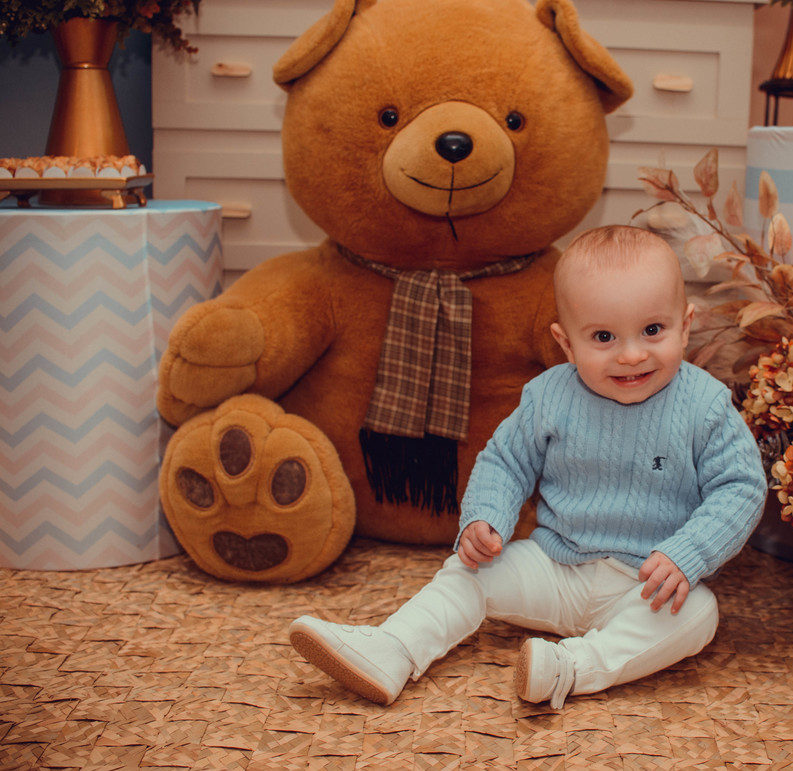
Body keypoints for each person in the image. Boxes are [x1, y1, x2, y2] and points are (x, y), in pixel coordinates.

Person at [288, 225, 766, 708]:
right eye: (603, 336)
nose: (631, 354)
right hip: (555, 566)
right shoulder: (549, 395)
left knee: (698, 614)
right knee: (468, 572)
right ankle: (395, 648)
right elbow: (505, 460)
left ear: (685, 326)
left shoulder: (704, 405)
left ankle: (571, 668)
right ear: (566, 343)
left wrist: (689, 553)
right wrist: (486, 517)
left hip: (646, 584)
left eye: (653, 330)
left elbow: (741, 487)